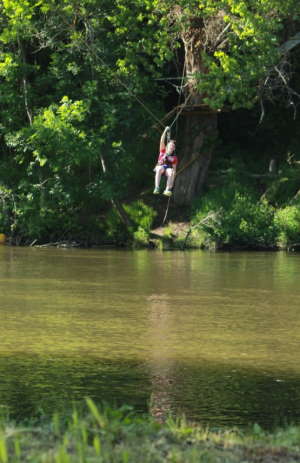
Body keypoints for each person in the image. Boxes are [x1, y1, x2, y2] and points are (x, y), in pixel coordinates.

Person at [153, 126, 178, 197]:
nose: (172, 147)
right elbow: (162, 140)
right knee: (159, 169)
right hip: (161, 167)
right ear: (167, 146)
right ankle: (157, 187)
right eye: (171, 146)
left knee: (171, 172)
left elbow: (174, 170)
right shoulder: (163, 151)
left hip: (167, 169)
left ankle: (167, 189)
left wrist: (172, 181)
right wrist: (165, 130)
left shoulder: (174, 158)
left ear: (174, 149)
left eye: (173, 147)